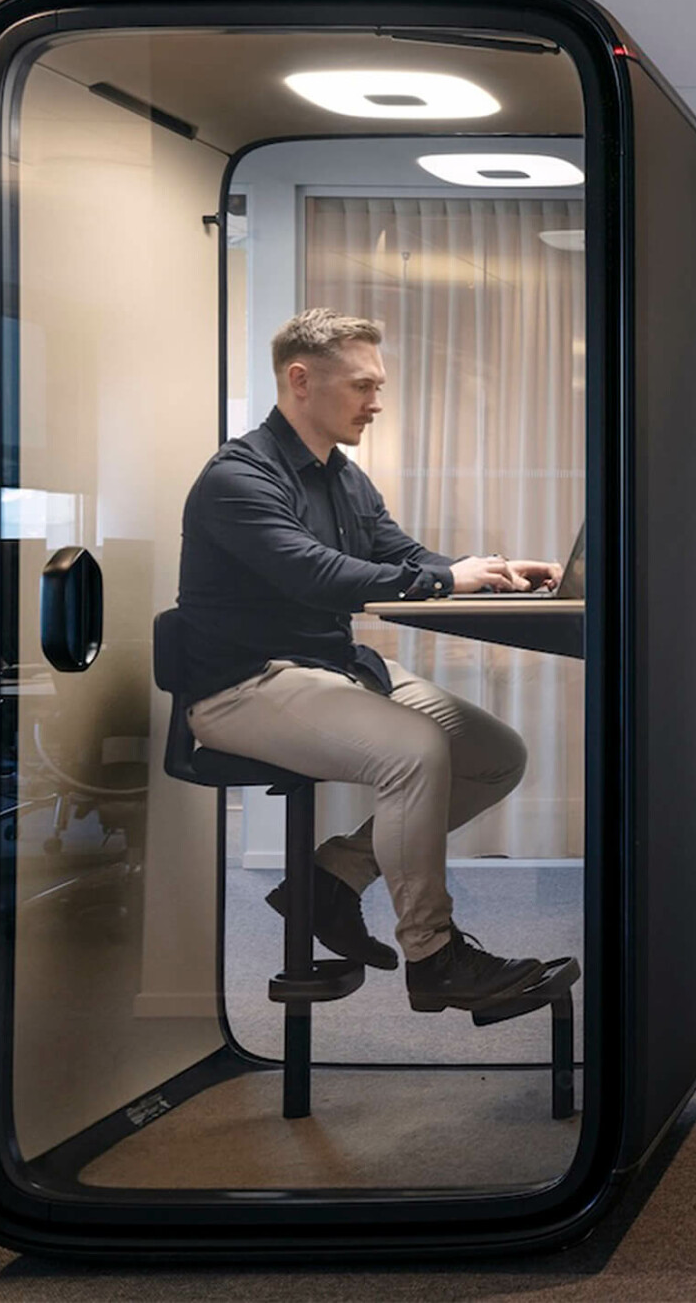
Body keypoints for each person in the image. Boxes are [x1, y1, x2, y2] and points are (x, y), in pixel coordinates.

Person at [177, 309, 563, 1013]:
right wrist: (450, 580)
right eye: (362, 386)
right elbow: (315, 575)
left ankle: (329, 881)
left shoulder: (343, 479)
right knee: (414, 752)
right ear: (300, 380)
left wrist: (495, 570)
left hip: (331, 668)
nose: (377, 403)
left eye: (376, 386)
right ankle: (435, 958)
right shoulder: (238, 477)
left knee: (494, 753)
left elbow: (401, 556)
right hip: (243, 684)